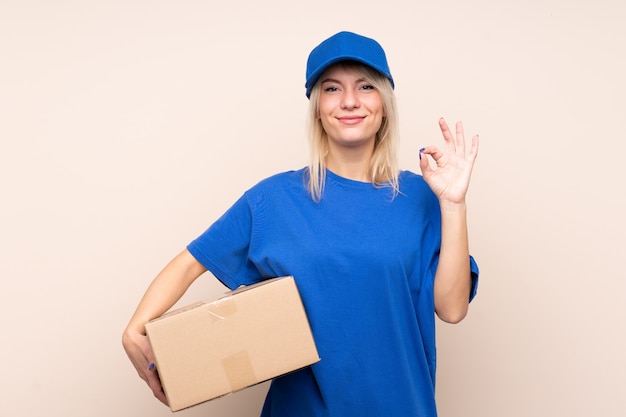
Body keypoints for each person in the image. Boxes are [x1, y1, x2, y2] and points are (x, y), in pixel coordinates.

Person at [122, 30, 480, 417]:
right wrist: (136, 328)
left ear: (385, 105)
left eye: (364, 86)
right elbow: (191, 261)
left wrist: (454, 204)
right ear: (317, 108)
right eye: (331, 89)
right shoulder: (273, 200)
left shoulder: (422, 197)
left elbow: (452, 308)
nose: (349, 101)